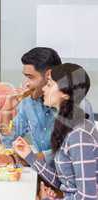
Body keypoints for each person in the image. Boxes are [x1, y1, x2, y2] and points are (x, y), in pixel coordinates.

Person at [13, 63, 98, 200]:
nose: (44, 89)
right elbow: (64, 183)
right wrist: (29, 156)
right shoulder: (66, 126)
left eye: (50, 84)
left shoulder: (79, 135)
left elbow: (88, 197)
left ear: (65, 94)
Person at [0, 47, 94, 164]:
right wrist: (6, 110)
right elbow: (9, 141)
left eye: (30, 77)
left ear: (49, 75)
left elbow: (64, 155)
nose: (26, 84)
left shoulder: (79, 105)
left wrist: (18, 159)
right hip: (43, 172)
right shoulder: (28, 102)